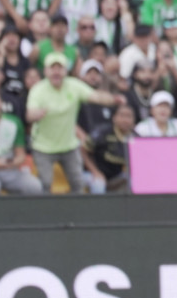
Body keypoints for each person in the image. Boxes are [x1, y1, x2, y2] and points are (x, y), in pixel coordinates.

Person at [25, 52, 118, 194]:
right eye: (52, 68)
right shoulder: (38, 90)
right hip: (43, 147)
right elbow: (30, 114)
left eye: (60, 68)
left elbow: (96, 96)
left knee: (77, 183)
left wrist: (114, 99)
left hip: (69, 145)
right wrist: (36, 114)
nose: (56, 72)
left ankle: (79, 215)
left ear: (66, 71)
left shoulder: (74, 85)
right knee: (45, 184)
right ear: (45, 71)